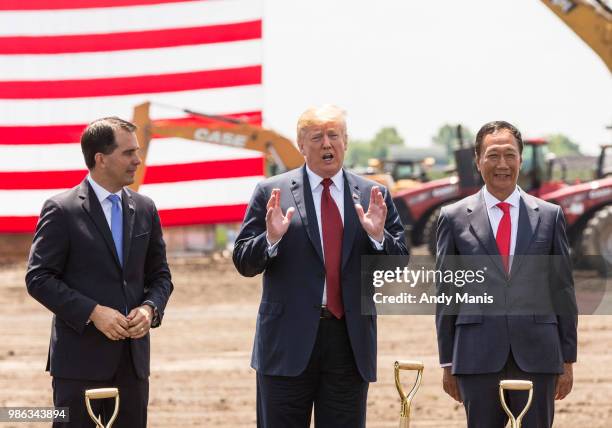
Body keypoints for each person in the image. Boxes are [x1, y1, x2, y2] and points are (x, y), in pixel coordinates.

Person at [233, 105, 408, 427]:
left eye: (334, 135)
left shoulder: (374, 195)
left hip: (349, 343)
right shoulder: (271, 192)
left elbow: (398, 266)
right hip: (286, 344)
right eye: (317, 137)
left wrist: (378, 237)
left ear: (346, 141)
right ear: (301, 145)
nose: (327, 144)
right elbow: (244, 262)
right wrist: (270, 239)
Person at [26, 117, 173, 427]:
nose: (137, 160)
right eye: (128, 152)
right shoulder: (61, 209)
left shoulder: (145, 208)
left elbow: (160, 275)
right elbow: (38, 278)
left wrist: (150, 309)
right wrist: (93, 312)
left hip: (132, 366)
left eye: (138, 151)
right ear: (101, 158)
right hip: (79, 365)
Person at [435, 120, 578, 427]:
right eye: (493, 155)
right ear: (478, 160)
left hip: (538, 354)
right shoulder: (453, 218)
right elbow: (448, 293)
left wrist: (566, 359)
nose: (502, 164)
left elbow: (562, 290)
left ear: (521, 159)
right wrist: (448, 361)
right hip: (477, 356)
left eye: (510, 155)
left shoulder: (549, 216)